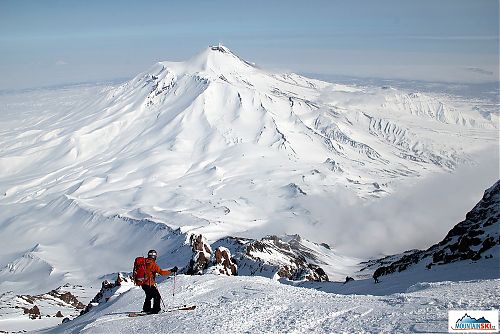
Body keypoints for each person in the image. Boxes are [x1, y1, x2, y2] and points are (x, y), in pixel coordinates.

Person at [142, 249, 178, 314]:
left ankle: (146, 309)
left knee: (149, 295)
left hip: (143, 283)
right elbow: (162, 273)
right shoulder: (152, 264)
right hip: (149, 284)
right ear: (154, 256)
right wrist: (171, 271)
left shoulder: (144, 262)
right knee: (157, 296)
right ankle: (156, 310)